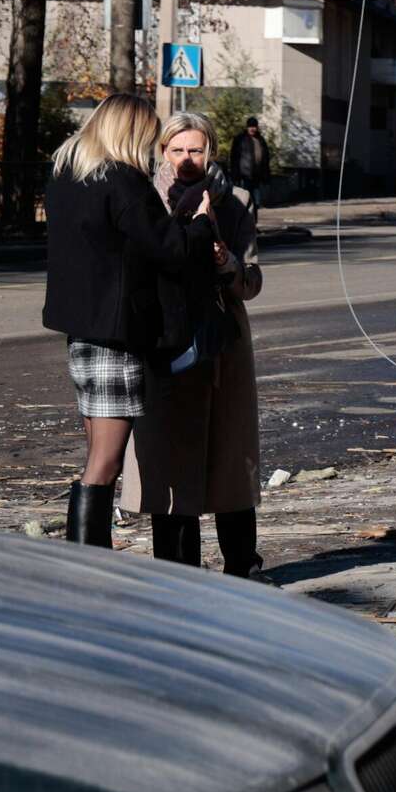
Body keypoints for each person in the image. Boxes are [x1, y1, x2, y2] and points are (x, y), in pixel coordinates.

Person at [41, 94, 219, 547]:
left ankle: (88, 562)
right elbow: (169, 249)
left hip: (81, 327)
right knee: (105, 459)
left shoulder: (68, 174)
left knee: (99, 452)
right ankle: (88, 566)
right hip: (115, 332)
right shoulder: (122, 180)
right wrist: (200, 226)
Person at [120, 112, 266, 575]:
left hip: (223, 341)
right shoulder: (144, 199)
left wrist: (226, 264)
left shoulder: (237, 201)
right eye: (177, 149)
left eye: (196, 150)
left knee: (229, 457)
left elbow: (252, 280)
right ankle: (178, 573)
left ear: (211, 152)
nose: (186, 159)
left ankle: (242, 568)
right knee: (171, 459)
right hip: (167, 337)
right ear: (162, 151)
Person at [227, 115, 270, 205]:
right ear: (247, 127)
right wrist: (235, 174)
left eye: (254, 126)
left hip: (257, 175)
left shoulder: (260, 140)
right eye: (250, 126)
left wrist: (266, 175)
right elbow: (234, 157)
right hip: (244, 175)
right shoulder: (240, 139)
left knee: (256, 203)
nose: (252, 129)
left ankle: (253, 216)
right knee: (245, 200)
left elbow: (266, 158)